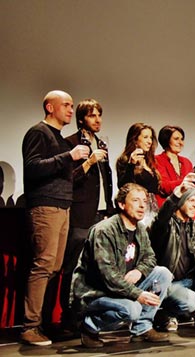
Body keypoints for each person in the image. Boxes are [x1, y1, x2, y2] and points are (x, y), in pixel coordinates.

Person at [20, 90, 90, 346]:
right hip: (45, 206)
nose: (71, 110)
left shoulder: (60, 139)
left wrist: (84, 164)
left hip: (63, 206)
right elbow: (33, 167)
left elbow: (64, 173)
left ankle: (44, 323)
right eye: (66, 105)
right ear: (50, 107)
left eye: (72, 106)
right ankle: (30, 326)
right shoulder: (39, 132)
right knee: (44, 265)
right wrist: (68, 157)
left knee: (55, 267)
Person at [71, 183, 173, 348]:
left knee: (163, 274)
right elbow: (108, 275)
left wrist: (139, 271)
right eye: (135, 200)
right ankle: (89, 326)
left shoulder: (140, 229)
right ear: (121, 204)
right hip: (96, 293)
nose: (142, 205)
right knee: (132, 309)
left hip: (122, 286)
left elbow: (150, 258)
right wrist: (138, 294)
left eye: (144, 201)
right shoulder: (104, 230)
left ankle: (142, 328)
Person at [60, 98, 115, 332]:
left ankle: (89, 316)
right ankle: (68, 317)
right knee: (73, 268)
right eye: (93, 115)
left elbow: (107, 181)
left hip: (101, 213)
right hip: (81, 215)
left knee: (97, 268)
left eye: (99, 115)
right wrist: (89, 162)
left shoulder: (101, 143)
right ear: (82, 118)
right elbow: (67, 180)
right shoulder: (70, 143)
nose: (98, 120)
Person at [149, 173, 195, 332]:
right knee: (191, 301)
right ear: (181, 201)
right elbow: (160, 218)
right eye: (191, 200)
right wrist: (177, 193)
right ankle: (164, 314)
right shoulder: (166, 225)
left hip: (191, 279)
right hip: (169, 283)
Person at [116, 123, 160, 226]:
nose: (149, 141)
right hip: (136, 210)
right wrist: (131, 164)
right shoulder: (125, 160)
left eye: (151, 138)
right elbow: (123, 186)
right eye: (145, 137)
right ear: (135, 140)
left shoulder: (150, 161)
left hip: (152, 210)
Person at [155, 125, 193, 207]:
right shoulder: (157, 160)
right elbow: (163, 186)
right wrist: (185, 182)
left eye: (182, 139)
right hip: (167, 207)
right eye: (176, 139)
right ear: (166, 140)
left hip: (186, 207)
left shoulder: (187, 162)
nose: (181, 143)